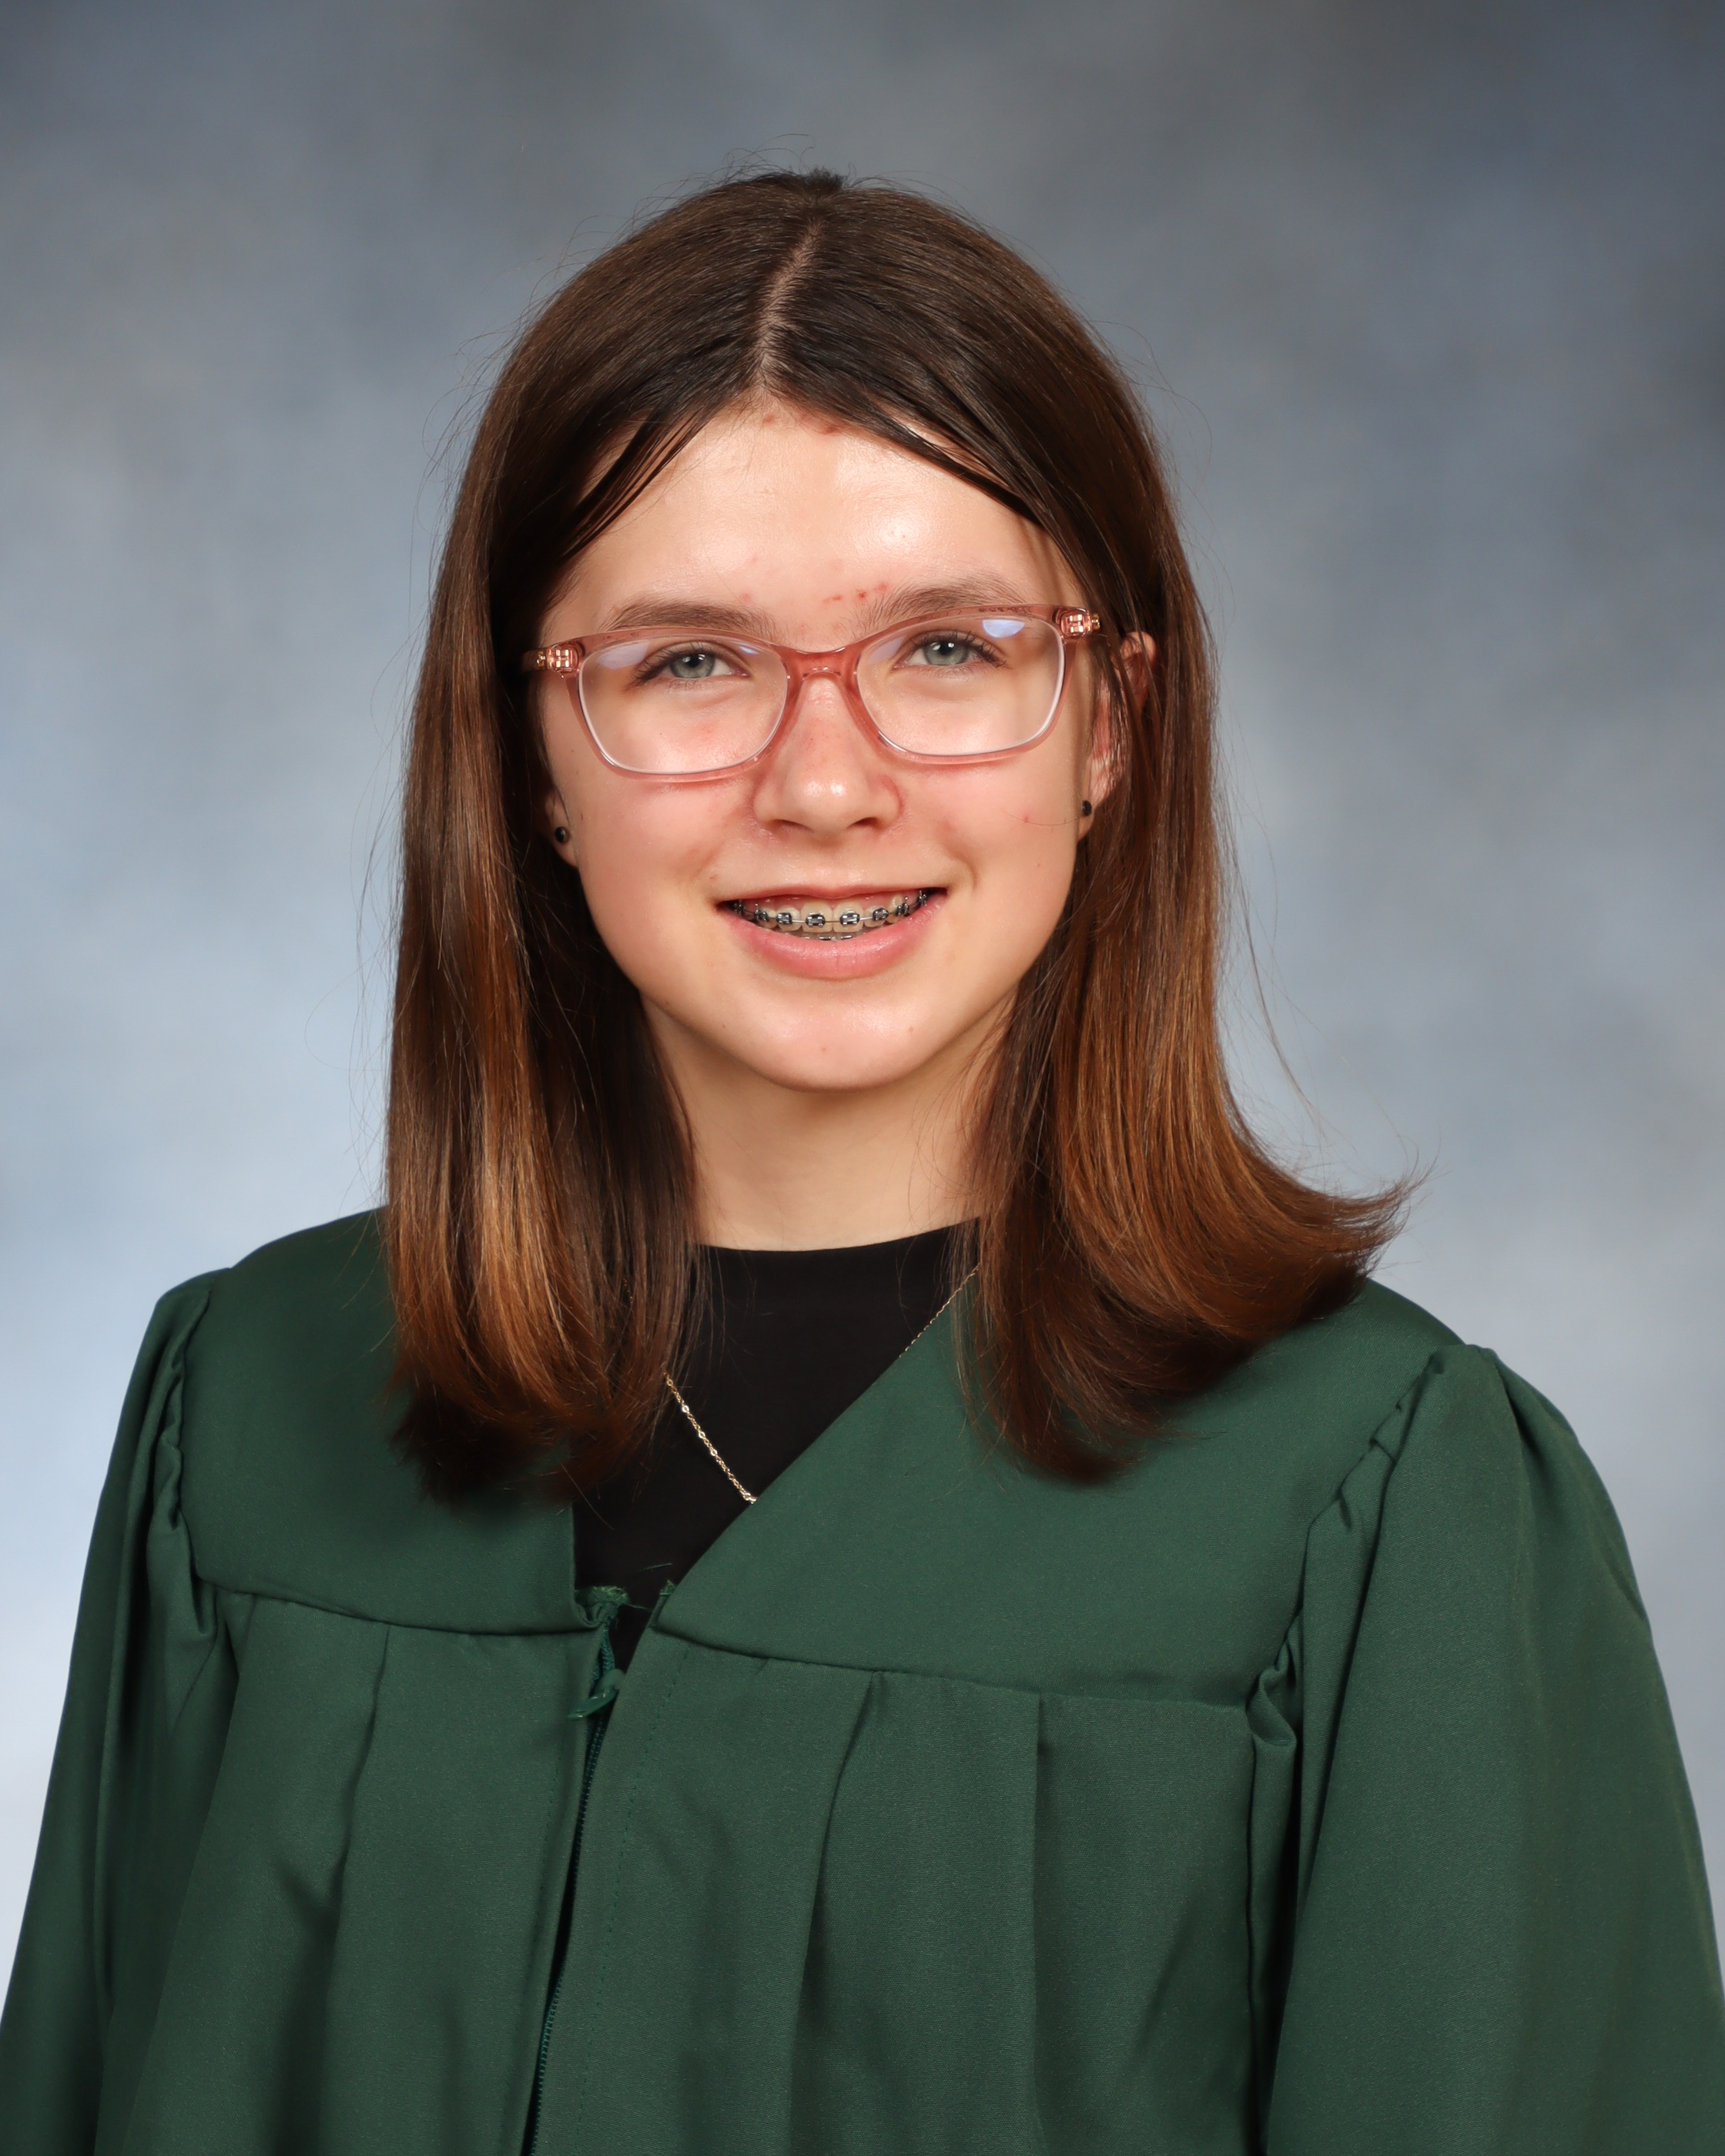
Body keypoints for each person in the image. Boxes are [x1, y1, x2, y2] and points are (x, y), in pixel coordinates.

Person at [2, 169, 1720, 2156]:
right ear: (532, 757)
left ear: (1108, 725)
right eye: (688, 663)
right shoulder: (243, 1419)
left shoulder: (1390, 1516)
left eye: (947, 649)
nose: (825, 785)